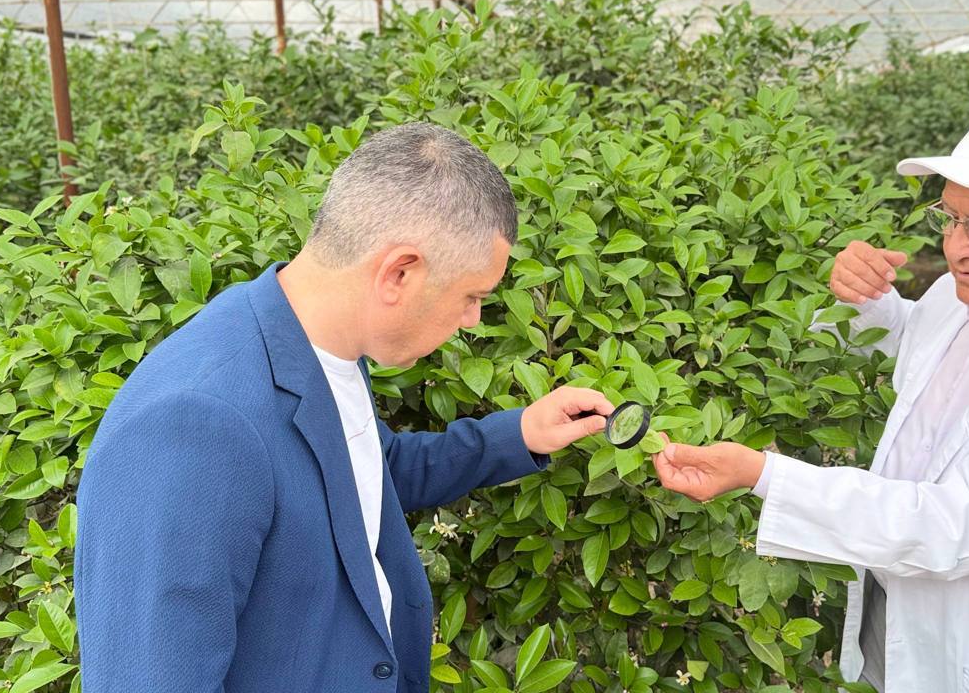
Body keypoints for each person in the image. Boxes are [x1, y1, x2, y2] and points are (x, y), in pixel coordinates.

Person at [653, 99, 969, 692]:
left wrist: (763, 475)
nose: (956, 248)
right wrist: (868, 306)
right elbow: (915, 351)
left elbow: (956, 524)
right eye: (949, 218)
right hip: (896, 619)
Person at [75, 122, 614, 692]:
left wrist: (521, 433)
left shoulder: (323, 348)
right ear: (399, 273)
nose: (472, 319)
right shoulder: (195, 422)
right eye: (472, 296)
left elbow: (358, 480)